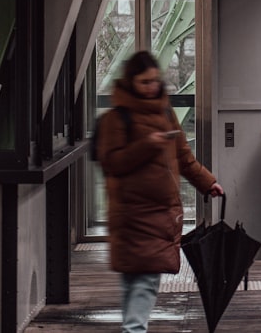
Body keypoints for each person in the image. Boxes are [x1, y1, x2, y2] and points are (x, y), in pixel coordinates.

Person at [97, 50, 225, 333]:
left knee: (139, 279)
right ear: (131, 82)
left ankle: (133, 328)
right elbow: (113, 163)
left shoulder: (165, 113)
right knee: (142, 279)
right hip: (133, 214)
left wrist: (207, 182)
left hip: (158, 214)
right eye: (144, 82)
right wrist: (148, 145)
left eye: (155, 81)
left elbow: (183, 157)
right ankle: (134, 329)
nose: (151, 87)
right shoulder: (116, 120)